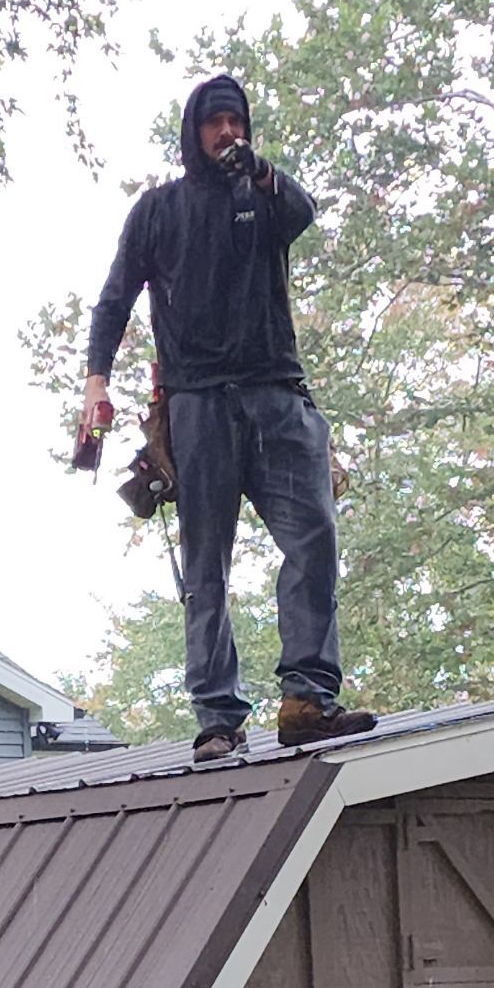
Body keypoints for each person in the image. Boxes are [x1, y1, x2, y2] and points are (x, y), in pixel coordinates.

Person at [82, 73, 377, 762]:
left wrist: (263, 174)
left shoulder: (266, 198)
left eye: (236, 122)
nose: (227, 133)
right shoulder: (157, 211)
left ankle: (307, 697)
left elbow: (304, 212)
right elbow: (114, 300)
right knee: (205, 562)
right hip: (198, 403)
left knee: (314, 538)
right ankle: (217, 715)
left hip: (277, 394)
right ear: (193, 131)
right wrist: (96, 385)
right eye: (215, 123)